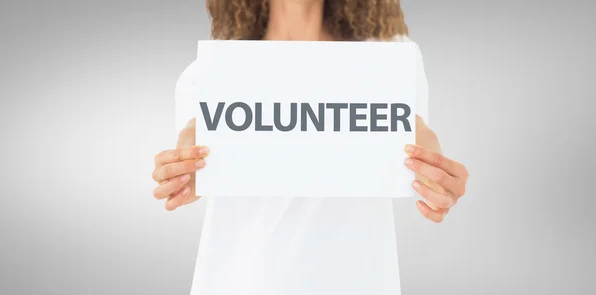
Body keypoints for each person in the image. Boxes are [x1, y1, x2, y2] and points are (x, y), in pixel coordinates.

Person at [151, 0, 469, 294]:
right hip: (241, 281)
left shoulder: (388, 58)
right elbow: (194, 149)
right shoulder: (212, 72)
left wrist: (437, 178)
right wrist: (183, 172)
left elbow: (416, 138)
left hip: (356, 281)